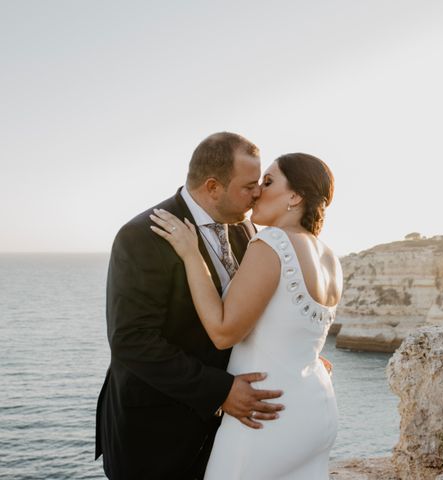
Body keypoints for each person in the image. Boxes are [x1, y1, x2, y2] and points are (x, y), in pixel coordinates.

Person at [95, 132, 285, 480]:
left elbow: (249, 307)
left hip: (224, 435)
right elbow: (132, 340)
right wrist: (220, 391)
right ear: (213, 186)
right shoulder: (141, 236)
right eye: (249, 185)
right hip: (156, 435)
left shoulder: (246, 228)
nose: (257, 192)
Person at [150, 152, 342, 479]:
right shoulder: (329, 257)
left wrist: (190, 253)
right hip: (317, 409)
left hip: (266, 415)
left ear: (295, 196)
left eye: (268, 182)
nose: (257, 192)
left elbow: (224, 332)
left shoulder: (271, 242)